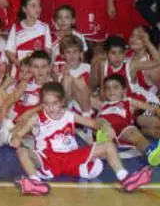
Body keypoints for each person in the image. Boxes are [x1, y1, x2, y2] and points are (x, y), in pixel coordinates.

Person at [11, 82, 152, 195]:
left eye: (54, 103)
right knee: (22, 151)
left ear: (62, 102)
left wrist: (105, 125)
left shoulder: (69, 115)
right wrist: (16, 137)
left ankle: (125, 178)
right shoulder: (37, 118)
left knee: (108, 145)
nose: (50, 108)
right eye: (46, 104)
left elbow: (94, 123)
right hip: (48, 159)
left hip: (72, 157)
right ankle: (35, 182)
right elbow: (19, 133)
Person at [95, 74, 160, 166]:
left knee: (133, 133)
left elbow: (152, 109)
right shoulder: (103, 105)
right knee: (99, 123)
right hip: (106, 127)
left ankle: (150, 152)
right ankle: (103, 140)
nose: (111, 91)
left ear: (124, 91)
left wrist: (157, 111)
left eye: (115, 87)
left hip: (122, 128)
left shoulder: (127, 101)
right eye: (107, 88)